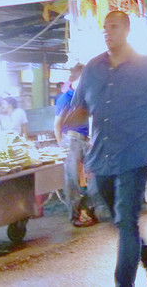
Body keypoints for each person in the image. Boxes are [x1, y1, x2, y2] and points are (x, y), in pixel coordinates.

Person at [61, 11, 147, 287]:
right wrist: (66, 120)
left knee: (127, 221)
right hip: (101, 159)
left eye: (114, 27)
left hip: (135, 156)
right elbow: (82, 109)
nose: (108, 32)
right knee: (120, 222)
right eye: (105, 28)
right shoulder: (92, 68)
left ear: (127, 30)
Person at [53, 64, 97, 227]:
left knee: (99, 171)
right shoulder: (65, 98)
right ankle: (76, 216)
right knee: (71, 180)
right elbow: (57, 124)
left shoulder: (86, 97)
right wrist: (61, 147)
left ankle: (88, 206)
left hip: (86, 140)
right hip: (70, 140)